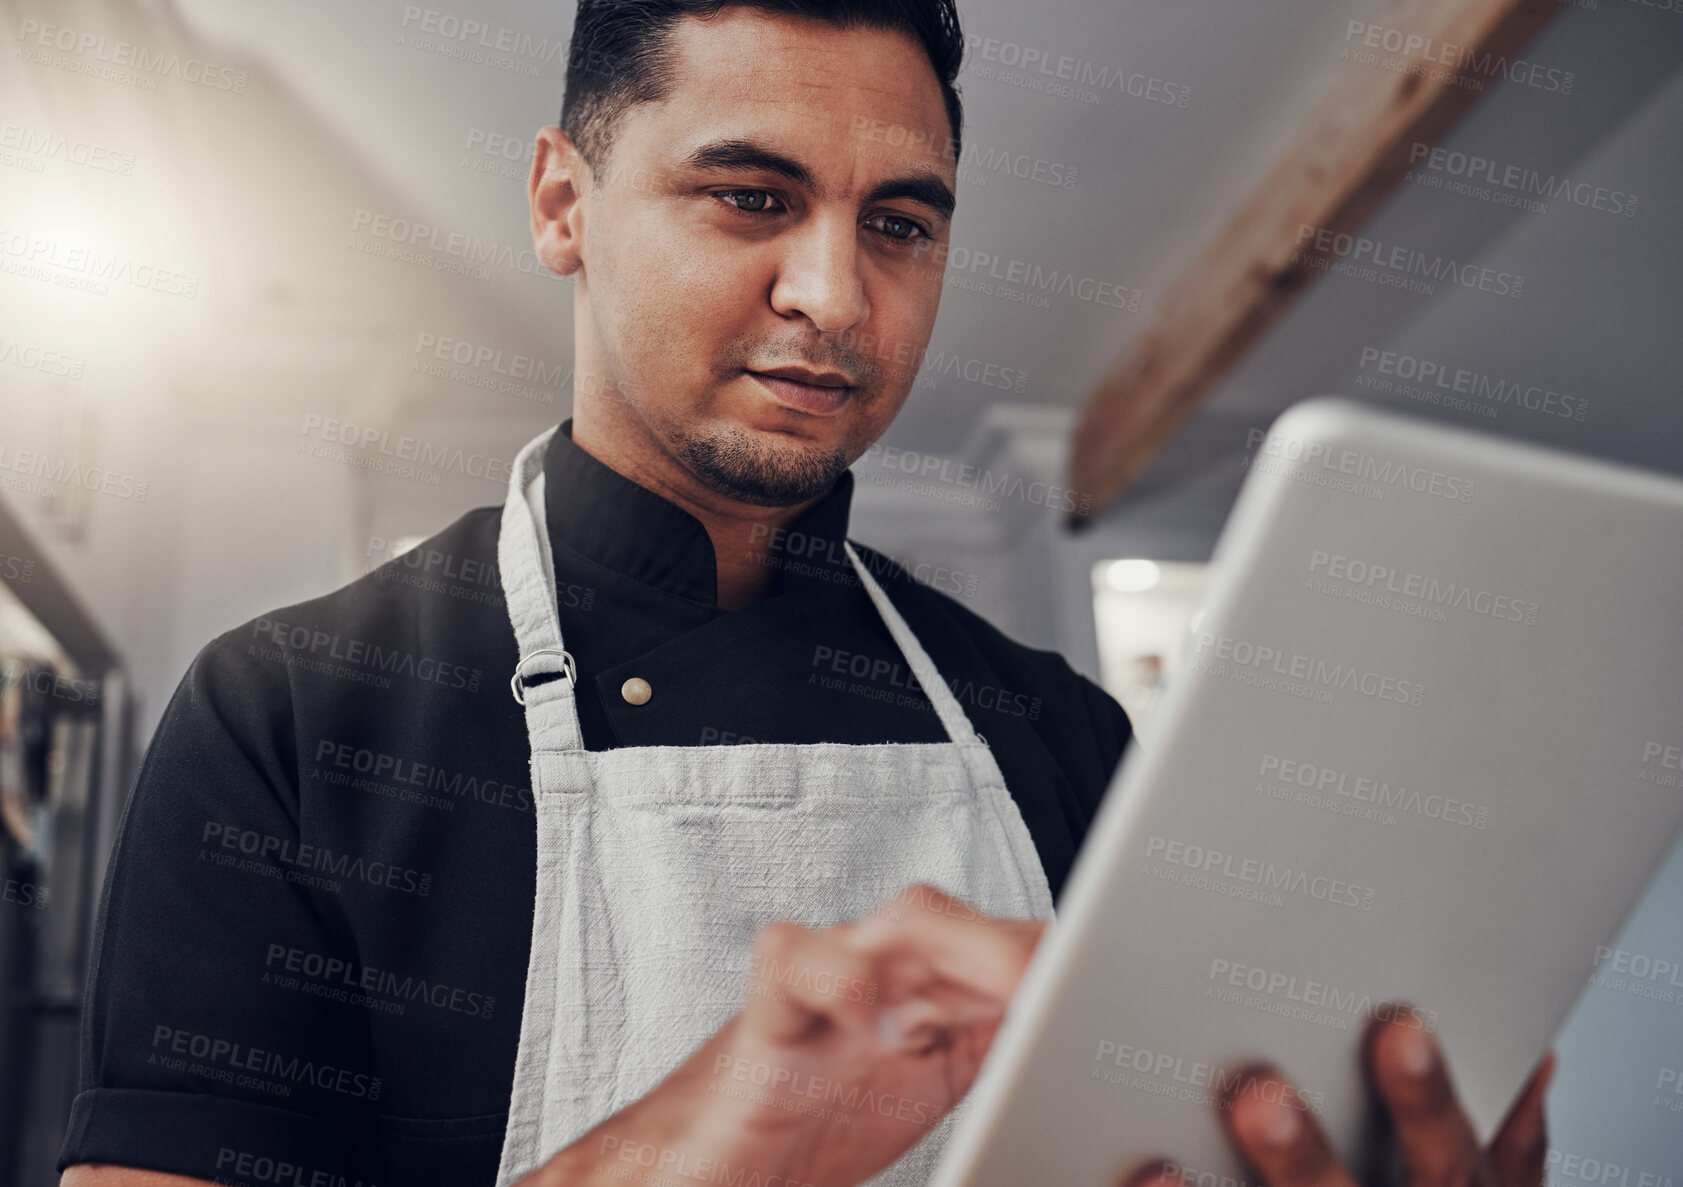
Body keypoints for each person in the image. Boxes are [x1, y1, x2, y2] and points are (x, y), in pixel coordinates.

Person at [57, 2, 1549, 1185]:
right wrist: (693, 1148)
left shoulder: (1061, 732)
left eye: (899, 223)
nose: (834, 298)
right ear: (563, 203)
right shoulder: (290, 716)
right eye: (750, 196)